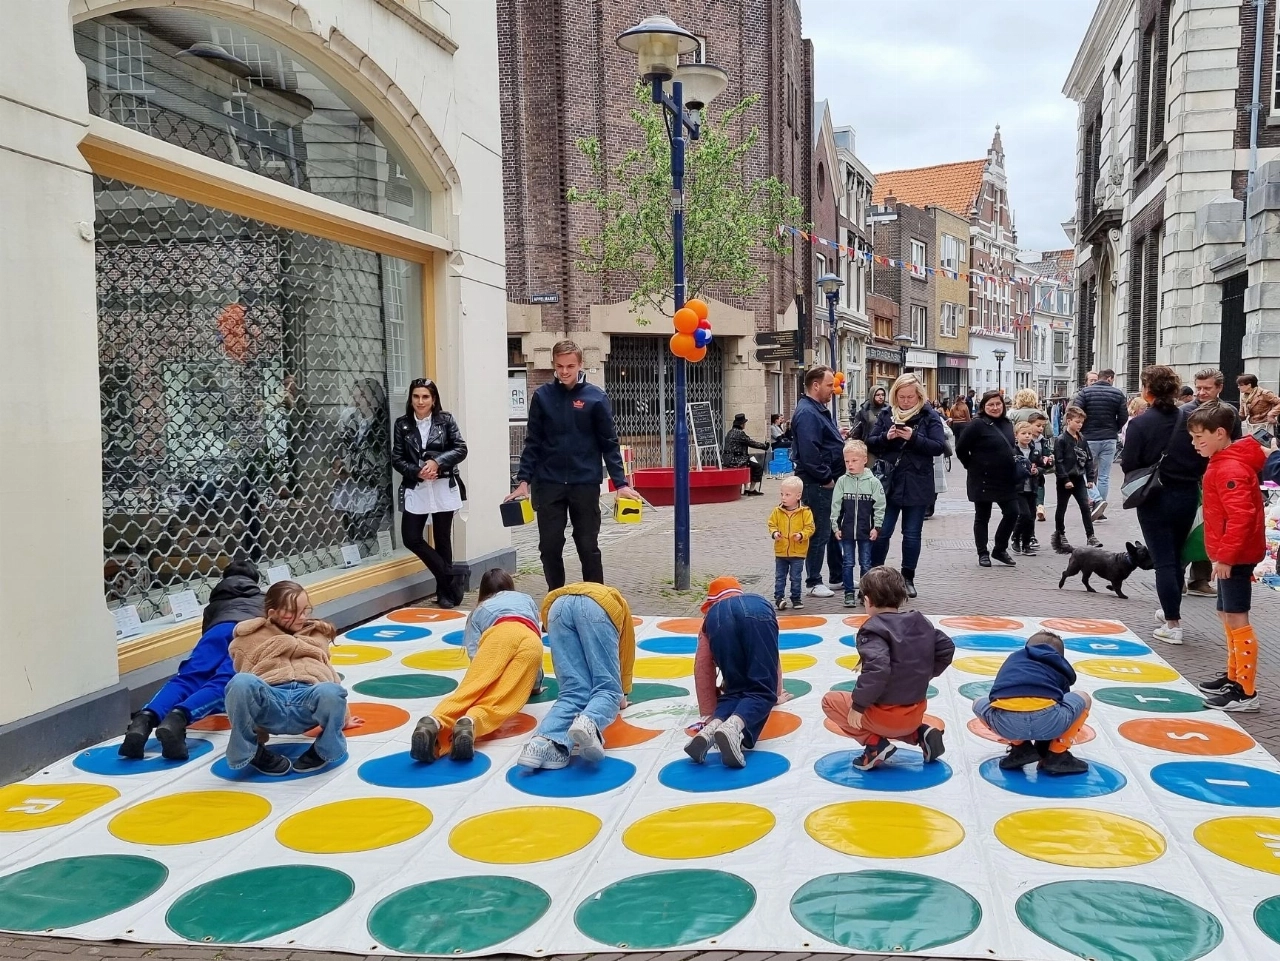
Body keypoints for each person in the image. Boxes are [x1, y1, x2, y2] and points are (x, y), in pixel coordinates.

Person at [507, 341, 638, 591]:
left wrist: (621, 483)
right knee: (549, 546)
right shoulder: (543, 397)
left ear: (580, 365)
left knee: (587, 545)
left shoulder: (596, 397)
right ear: (553, 365)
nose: (564, 371)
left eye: (570, 366)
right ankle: (555, 599)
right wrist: (523, 481)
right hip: (549, 483)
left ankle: (597, 600)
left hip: (584, 483)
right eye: (559, 366)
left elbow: (609, 443)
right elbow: (533, 441)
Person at [119, 558, 264, 760]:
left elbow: (206, 633)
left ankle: (144, 719)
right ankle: (178, 718)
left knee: (187, 678)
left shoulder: (214, 604)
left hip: (216, 631)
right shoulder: (263, 599)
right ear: (254, 581)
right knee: (224, 681)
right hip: (247, 633)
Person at [819, 567, 954, 770]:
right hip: (915, 713)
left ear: (868, 600)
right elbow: (946, 648)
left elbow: (877, 668)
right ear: (902, 598)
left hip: (884, 717)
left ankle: (874, 745)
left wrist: (858, 706)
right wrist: (921, 674)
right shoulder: (920, 623)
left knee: (830, 701)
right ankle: (920, 734)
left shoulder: (873, 629)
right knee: (892, 716)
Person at [410, 569, 542, 763]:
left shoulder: (480, 610)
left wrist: (482, 679)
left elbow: (475, 654)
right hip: (531, 640)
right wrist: (535, 685)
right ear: (510, 586)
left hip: (500, 634)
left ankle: (436, 720)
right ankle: (472, 721)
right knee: (502, 698)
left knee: (469, 692)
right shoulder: (526, 599)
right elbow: (535, 645)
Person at [224, 581, 349, 776]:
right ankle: (252, 751)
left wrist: (344, 718)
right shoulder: (248, 639)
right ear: (272, 613)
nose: (302, 617)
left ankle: (323, 750)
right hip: (271, 702)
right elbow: (246, 677)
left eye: (305, 610)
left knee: (332, 690)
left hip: (306, 701)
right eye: (293, 612)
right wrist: (258, 735)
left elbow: (329, 674)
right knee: (240, 682)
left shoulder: (316, 635)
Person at [1188, 404, 1266, 711]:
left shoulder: (1229, 468)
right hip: (1228, 554)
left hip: (1234, 555)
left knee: (1236, 617)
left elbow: (1241, 518)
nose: (1194, 444)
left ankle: (1245, 690)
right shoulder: (1223, 462)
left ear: (1220, 434)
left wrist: (1226, 558)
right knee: (1226, 613)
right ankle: (1234, 674)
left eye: (1198, 437)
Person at [1121, 365, 1200, 645]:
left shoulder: (1141, 423)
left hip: (1154, 496)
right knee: (1176, 556)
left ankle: (1172, 623)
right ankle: (1170, 608)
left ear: (1147, 390)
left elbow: (1129, 463)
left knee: (1163, 560)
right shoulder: (1190, 419)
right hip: (1187, 494)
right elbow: (1202, 457)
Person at [517, 582, 635, 770]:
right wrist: (623, 692)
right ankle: (589, 721)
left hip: (556, 607)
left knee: (573, 691)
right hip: (596, 608)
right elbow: (625, 652)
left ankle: (541, 742)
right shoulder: (619, 606)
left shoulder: (583, 593)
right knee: (607, 689)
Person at [683, 577, 781, 768]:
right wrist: (775, 693)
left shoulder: (711, 616)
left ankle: (710, 730)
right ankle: (733, 727)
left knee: (734, 690)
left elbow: (703, 667)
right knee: (761, 690)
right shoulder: (753, 602)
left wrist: (709, 713)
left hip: (718, 621)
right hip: (758, 611)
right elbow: (773, 657)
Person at [866, 374, 947, 598]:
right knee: (882, 532)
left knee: (911, 534)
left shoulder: (930, 416)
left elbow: (939, 446)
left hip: (917, 481)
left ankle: (907, 577)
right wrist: (886, 436)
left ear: (919, 395)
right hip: (889, 482)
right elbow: (870, 442)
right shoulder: (886, 414)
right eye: (901, 397)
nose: (906, 401)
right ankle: (875, 576)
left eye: (910, 397)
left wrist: (914, 438)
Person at [392, 378, 468, 608]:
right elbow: (397, 458)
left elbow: (460, 448)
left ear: (433, 399)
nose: (420, 401)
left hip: (443, 486)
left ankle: (446, 593)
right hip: (417, 488)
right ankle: (451, 573)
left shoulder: (445, 421)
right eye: (416, 396)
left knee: (442, 538)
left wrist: (437, 462)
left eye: (425, 396)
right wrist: (417, 472)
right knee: (411, 537)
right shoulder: (402, 424)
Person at [973, 631, 1092, 775]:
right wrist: (1044, 750)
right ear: (1060, 655)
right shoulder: (1058, 664)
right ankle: (1057, 753)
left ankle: (1020, 747)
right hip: (1049, 721)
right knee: (1084, 698)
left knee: (977, 702)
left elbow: (995, 696)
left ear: (1027, 647)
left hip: (1006, 725)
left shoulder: (1014, 659)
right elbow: (1062, 701)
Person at [1181, 369, 1241, 596]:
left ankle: (1200, 579)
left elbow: (1233, 444)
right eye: (1198, 387)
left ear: (1219, 388)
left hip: (1217, 477)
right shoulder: (1186, 411)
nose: (1201, 392)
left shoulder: (1229, 412)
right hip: (1191, 477)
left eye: (1207, 388)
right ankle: (1179, 575)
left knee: (1212, 527)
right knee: (1190, 528)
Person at [790, 366, 846, 599]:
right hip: (818, 483)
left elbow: (820, 442)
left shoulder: (817, 410)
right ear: (815, 385)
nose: (833, 389)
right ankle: (813, 580)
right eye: (828, 384)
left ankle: (836, 575)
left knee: (830, 529)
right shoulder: (807, 413)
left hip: (825, 480)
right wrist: (826, 478)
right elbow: (809, 451)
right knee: (819, 531)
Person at [956, 390, 1024, 567]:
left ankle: (1000, 548)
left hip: (1005, 478)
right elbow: (961, 448)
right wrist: (970, 465)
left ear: (1003, 405)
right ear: (983, 407)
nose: (995, 408)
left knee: (1012, 512)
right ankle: (982, 552)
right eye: (990, 405)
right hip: (982, 478)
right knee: (982, 516)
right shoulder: (977, 425)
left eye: (998, 404)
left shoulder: (1008, 423)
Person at [332, 377, 392, 549]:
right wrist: (338, 460)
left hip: (376, 490)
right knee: (353, 532)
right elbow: (337, 443)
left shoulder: (385, 424)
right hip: (354, 489)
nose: (356, 400)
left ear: (374, 398)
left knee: (368, 533)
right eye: (355, 396)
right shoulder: (351, 420)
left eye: (362, 396)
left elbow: (380, 456)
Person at [832, 440, 885, 608]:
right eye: (847, 461)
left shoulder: (873, 483)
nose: (850, 464)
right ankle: (849, 593)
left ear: (864, 460)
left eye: (854, 461)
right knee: (847, 562)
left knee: (866, 563)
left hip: (865, 530)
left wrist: (877, 527)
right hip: (847, 530)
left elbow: (880, 506)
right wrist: (835, 526)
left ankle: (865, 593)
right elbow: (836, 505)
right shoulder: (842, 481)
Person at [1072, 369, 1128, 515]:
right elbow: (1123, 416)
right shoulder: (1118, 394)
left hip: (1089, 438)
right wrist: (1114, 428)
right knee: (1104, 475)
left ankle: (1096, 499)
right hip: (1109, 438)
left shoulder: (1085, 393)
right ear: (1109, 379)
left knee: (1084, 471)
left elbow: (1076, 412)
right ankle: (1100, 507)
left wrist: (1082, 429)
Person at [1052, 405, 1101, 554]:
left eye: (1082, 422)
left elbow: (1088, 459)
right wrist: (1065, 479)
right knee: (1062, 508)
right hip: (1065, 480)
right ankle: (1060, 534)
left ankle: (1090, 535)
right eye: (1077, 421)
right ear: (1068, 421)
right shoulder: (1061, 440)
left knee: (1085, 507)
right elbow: (1058, 462)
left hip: (1079, 478)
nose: (1080, 425)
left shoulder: (1082, 439)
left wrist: (1090, 477)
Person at [769, 476, 815, 610]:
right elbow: (771, 524)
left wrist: (801, 535)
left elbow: (810, 528)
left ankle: (796, 598)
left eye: (787, 494)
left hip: (798, 552)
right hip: (781, 551)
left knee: (796, 577)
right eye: (782, 494)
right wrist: (774, 533)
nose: (783, 497)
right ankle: (779, 598)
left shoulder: (805, 512)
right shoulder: (777, 511)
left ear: (798, 496)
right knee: (780, 577)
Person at [1011, 422, 1043, 557]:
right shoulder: (1013, 451)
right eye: (1024, 433)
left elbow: (1042, 467)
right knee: (1023, 514)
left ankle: (1026, 544)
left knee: (1031, 517)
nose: (1027, 436)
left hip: (1032, 488)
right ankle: (1015, 537)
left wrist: (1037, 471)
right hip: (1018, 489)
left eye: (1029, 434)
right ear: (1016, 436)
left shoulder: (1035, 451)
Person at [723, 413, 769, 496]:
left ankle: (746, 488)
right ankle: (751, 489)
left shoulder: (730, 432)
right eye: (744, 423)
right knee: (757, 467)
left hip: (728, 459)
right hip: (736, 460)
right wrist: (764, 446)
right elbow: (751, 442)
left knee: (751, 463)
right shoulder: (739, 433)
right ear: (742, 424)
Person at [1028, 411, 1053, 528]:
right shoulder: (1026, 439)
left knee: (1040, 489)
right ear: (1030, 424)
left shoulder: (1043, 441)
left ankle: (1040, 508)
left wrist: (1049, 459)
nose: (1041, 428)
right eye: (1038, 426)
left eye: (1043, 426)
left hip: (1039, 472)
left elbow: (1047, 455)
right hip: (1027, 474)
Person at [1237, 373, 1280, 439]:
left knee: (1266, 446)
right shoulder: (1245, 397)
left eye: (1241, 385)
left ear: (1249, 385)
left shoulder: (1264, 393)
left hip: (1265, 426)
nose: (1238, 387)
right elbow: (1242, 415)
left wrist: (1271, 414)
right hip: (1251, 426)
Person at [927, 418, 954, 520]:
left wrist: (938, 430)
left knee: (935, 484)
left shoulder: (935, 417)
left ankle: (930, 507)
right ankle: (926, 508)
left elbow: (949, 433)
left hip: (936, 455)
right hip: (920, 455)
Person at [851, 387, 888, 452]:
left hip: (886, 448)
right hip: (869, 448)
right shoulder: (863, 412)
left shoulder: (889, 411)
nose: (881, 397)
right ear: (872, 396)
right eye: (878, 395)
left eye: (883, 395)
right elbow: (856, 433)